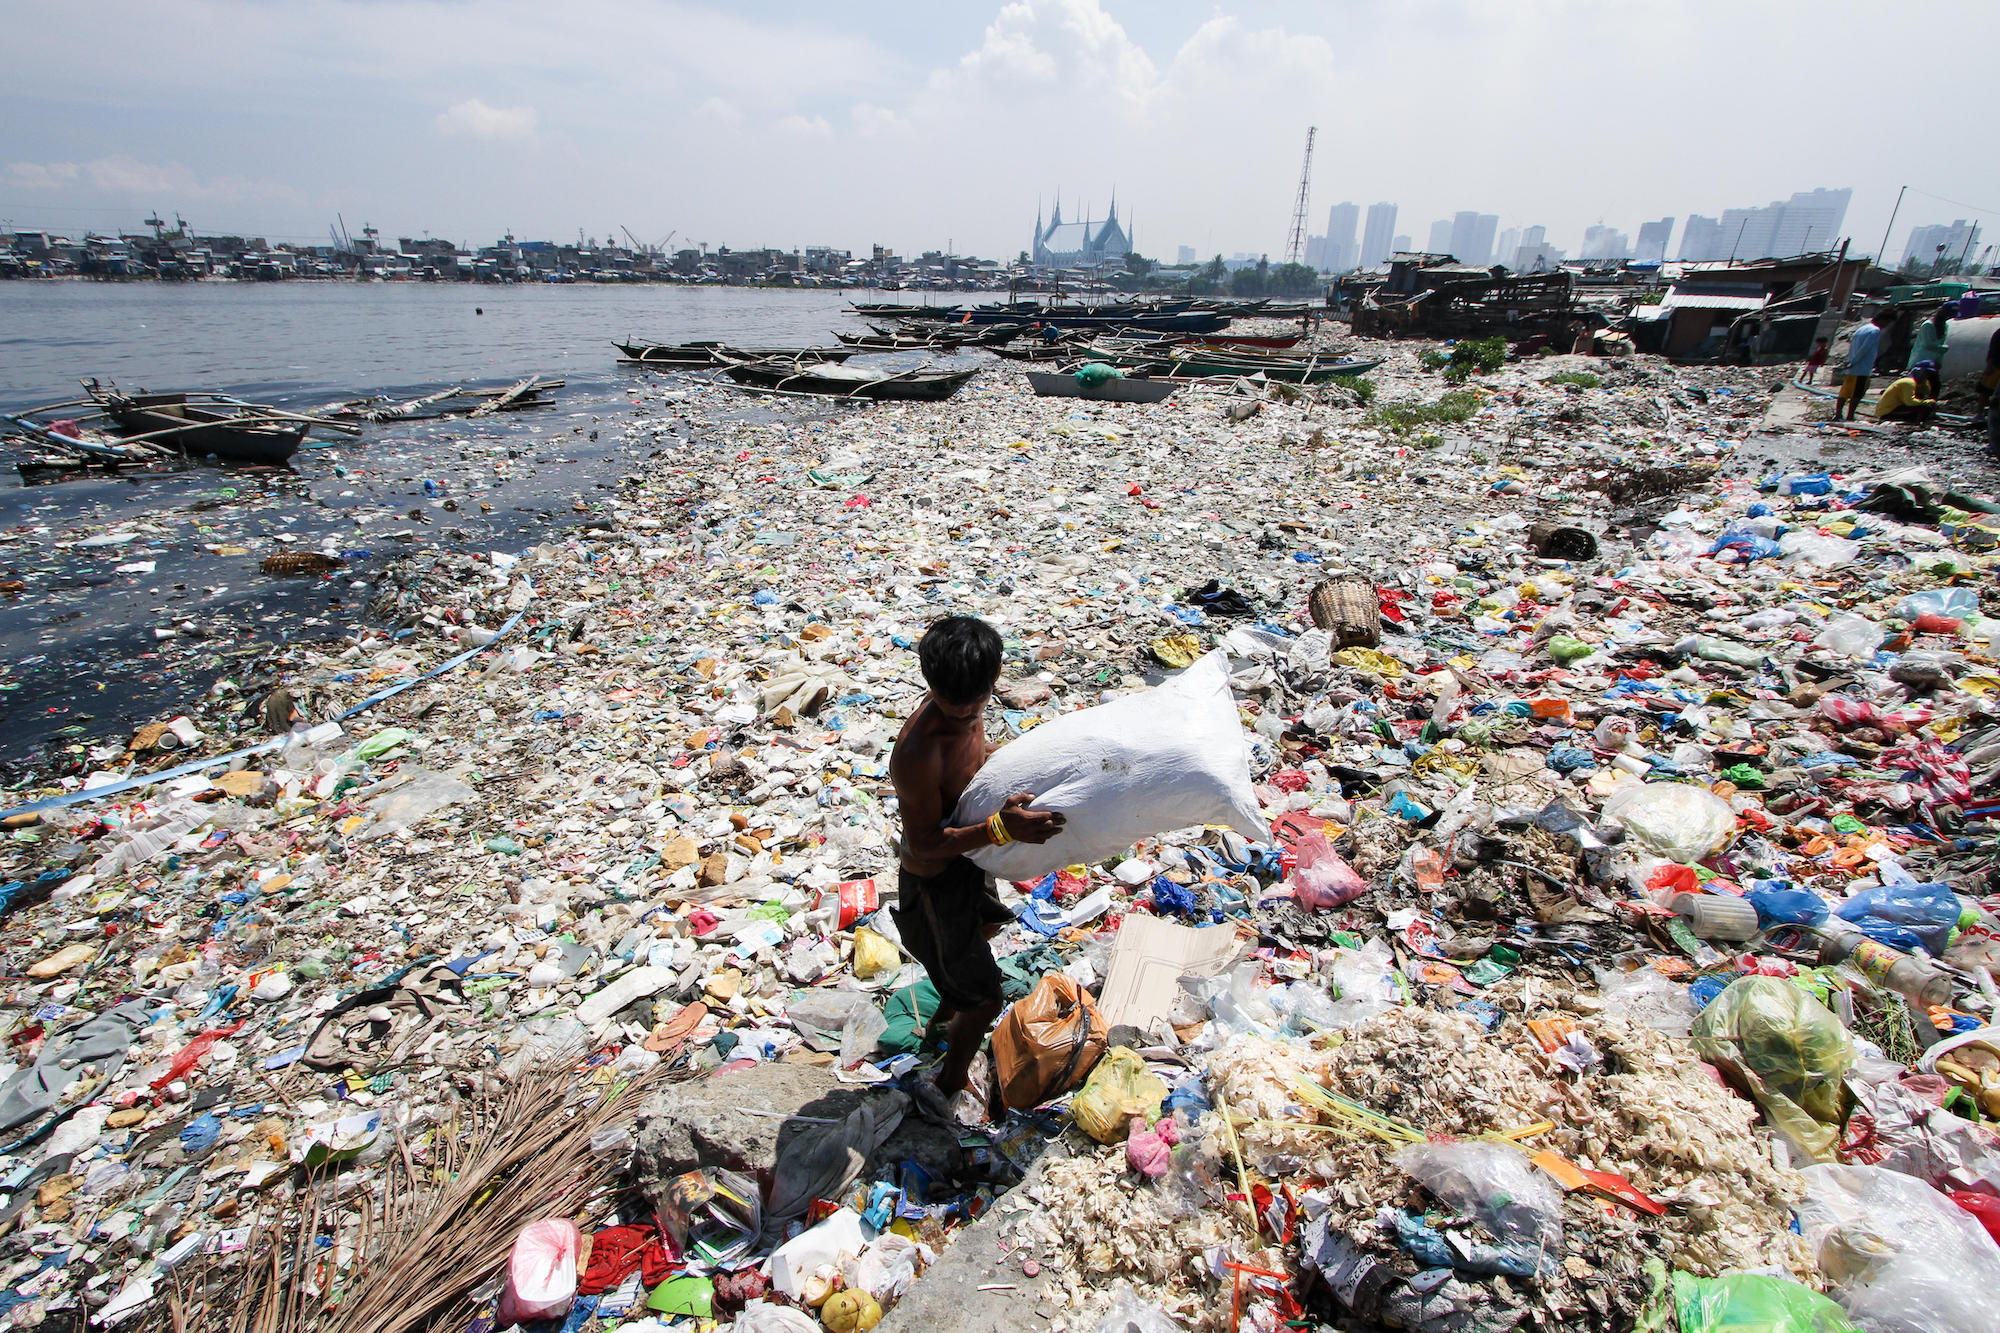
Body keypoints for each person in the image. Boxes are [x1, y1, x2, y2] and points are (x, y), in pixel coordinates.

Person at [888, 615, 1063, 1119]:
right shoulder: (918, 752)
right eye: (952, 707)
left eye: (975, 706)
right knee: (985, 1000)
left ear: (992, 682)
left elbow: (976, 753)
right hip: (935, 880)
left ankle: (945, 1015)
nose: (966, 716)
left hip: (970, 857)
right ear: (931, 686)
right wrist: (1003, 830)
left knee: (983, 929)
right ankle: (944, 1086)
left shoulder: (970, 707)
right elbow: (921, 843)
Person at [1838, 309, 1892, 421]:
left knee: (1845, 392)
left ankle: (1838, 414)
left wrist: (1850, 362)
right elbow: (1865, 348)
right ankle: (1850, 416)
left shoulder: (1862, 328)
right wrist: (1855, 362)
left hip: (1852, 366)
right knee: (1857, 394)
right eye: (1888, 322)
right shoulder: (1875, 331)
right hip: (1862, 368)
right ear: (1884, 320)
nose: (1887, 326)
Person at [1873, 362, 1939, 422]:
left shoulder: (1918, 382)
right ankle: (1915, 422)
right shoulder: (1908, 382)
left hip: (1896, 408)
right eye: (1925, 373)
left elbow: (1925, 393)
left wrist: (1923, 383)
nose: (1926, 376)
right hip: (1887, 412)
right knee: (1925, 406)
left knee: (1925, 402)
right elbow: (1910, 402)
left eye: (1929, 374)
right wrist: (1927, 401)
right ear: (1919, 371)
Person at [1909, 306, 1950, 373]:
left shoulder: (1945, 325)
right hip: (1921, 360)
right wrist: (1944, 348)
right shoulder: (1927, 325)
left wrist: (1939, 360)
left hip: (1934, 361)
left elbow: (1942, 342)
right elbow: (1928, 344)